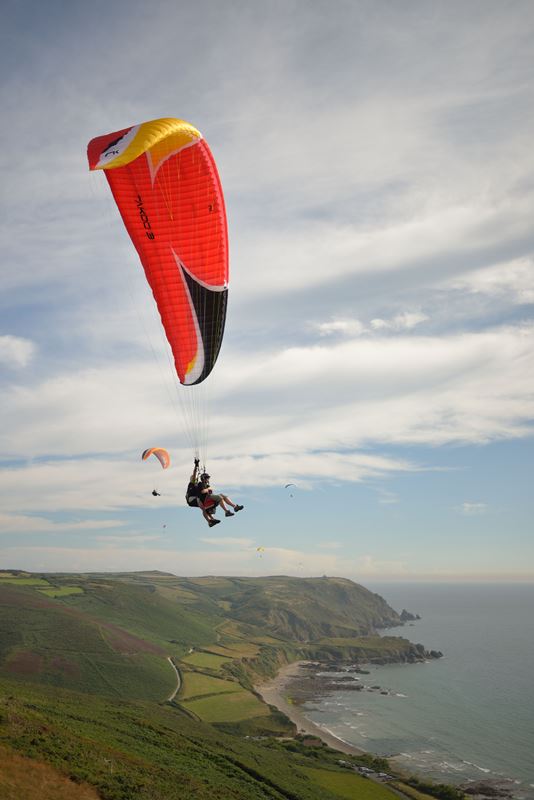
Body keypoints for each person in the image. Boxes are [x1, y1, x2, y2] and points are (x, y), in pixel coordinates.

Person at [186, 459, 220, 527]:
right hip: (191, 499)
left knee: (205, 507)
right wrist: (196, 466)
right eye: (194, 479)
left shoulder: (198, 484)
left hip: (195, 499)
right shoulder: (192, 484)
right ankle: (209, 521)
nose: (195, 480)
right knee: (203, 507)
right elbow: (194, 473)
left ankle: (211, 520)